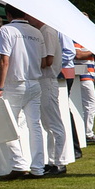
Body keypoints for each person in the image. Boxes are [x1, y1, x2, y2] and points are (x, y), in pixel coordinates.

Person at [0, 6, 47, 179]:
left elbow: (4, 61)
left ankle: (18, 164)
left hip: (15, 83)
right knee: (34, 126)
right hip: (34, 82)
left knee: (7, 124)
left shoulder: (7, 30)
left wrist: (0, 87)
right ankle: (38, 168)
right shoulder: (37, 32)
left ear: (8, 15)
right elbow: (44, 61)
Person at [32, 16, 69, 175]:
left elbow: (47, 60)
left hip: (47, 79)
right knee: (48, 125)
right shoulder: (44, 31)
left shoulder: (47, 31)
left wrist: (28, 60)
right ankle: (53, 160)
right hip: (43, 80)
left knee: (53, 123)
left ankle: (59, 162)